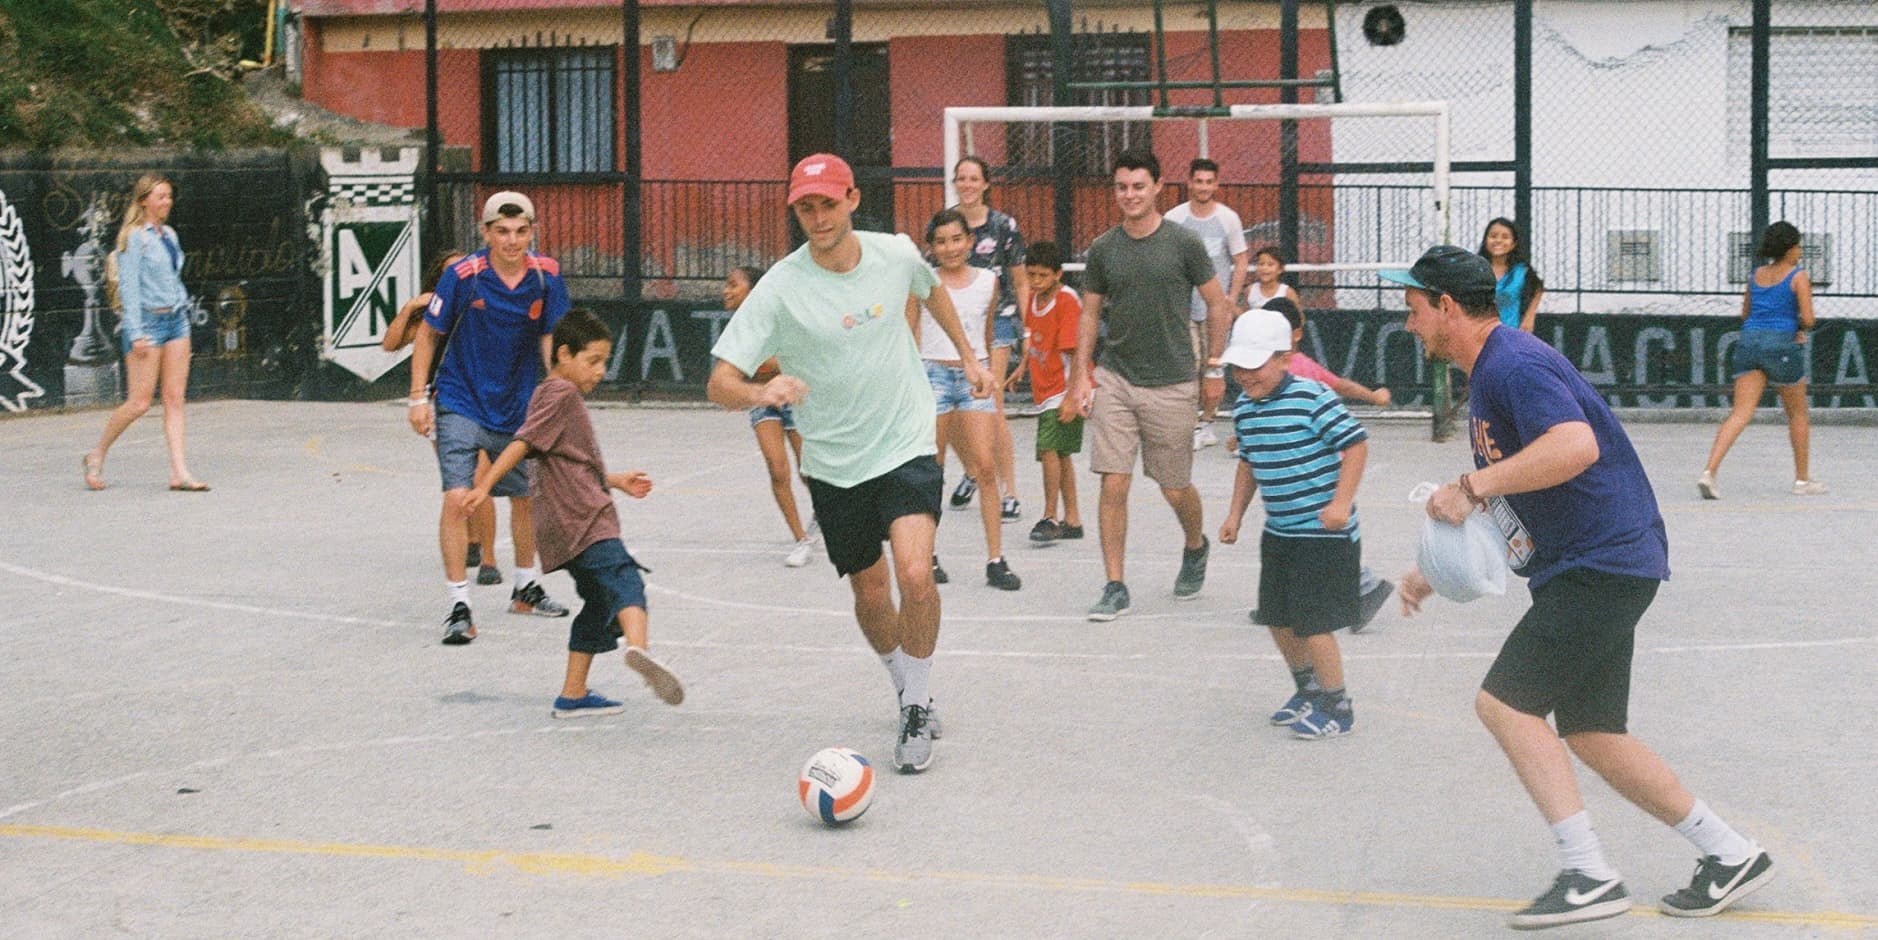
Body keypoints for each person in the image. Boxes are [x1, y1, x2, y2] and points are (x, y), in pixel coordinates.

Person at [1386, 245, 1774, 929]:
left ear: (1446, 307)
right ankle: (1729, 853)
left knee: (1505, 705)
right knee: (1594, 733)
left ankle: (1589, 873)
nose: (1409, 323)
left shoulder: (1514, 363)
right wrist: (1440, 567)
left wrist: (1471, 484)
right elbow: (1525, 493)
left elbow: (1574, 447)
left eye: (1413, 309)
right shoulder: (1490, 373)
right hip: (1596, 564)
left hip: (1604, 563)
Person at [707, 154, 994, 774]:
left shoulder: (893, 254)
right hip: (834, 461)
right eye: (806, 207)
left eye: (828, 204)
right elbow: (719, 380)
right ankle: (901, 681)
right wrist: (762, 393)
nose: (817, 217)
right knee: (871, 591)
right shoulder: (780, 287)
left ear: (853, 199)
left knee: (916, 575)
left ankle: (916, 703)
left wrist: (968, 357)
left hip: (906, 438)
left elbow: (933, 290)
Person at [464, 308, 684, 717]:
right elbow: (524, 442)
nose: (600, 371)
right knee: (625, 581)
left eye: (604, 361)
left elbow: (566, 458)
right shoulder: (561, 393)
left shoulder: (551, 396)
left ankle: (573, 694)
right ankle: (641, 650)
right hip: (583, 519)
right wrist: (484, 486)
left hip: (565, 523)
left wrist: (615, 479)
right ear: (563, 354)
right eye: (593, 361)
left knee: (599, 607)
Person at [1061, 150, 1235, 622]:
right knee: (1113, 481)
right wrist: (1081, 374)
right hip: (1116, 378)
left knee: (1174, 486)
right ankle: (1115, 584)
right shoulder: (1103, 249)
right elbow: (1090, 313)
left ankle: (1195, 546)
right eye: (1121, 187)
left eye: (1139, 186)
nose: (1130, 195)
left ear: (1158, 187)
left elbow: (1218, 305)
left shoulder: (1183, 244)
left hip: (1174, 381)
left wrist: (1215, 367)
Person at [407, 191, 572, 645]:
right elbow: (426, 336)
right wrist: (417, 398)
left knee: (524, 498)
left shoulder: (547, 276)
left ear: (532, 231)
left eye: (521, 231)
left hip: (518, 404)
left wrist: (557, 395)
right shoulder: (464, 275)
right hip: (460, 398)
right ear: (485, 233)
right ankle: (459, 604)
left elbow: (550, 339)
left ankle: (525, 588)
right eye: (502, 231)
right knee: (458, 498)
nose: (512, 240)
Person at [1216, 309, 1370, 739]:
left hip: (1323, 533)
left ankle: (1338, 705)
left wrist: (1341, 503)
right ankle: (1309, 689)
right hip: (1280, 531)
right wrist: (1234, 515)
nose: (1245, 375)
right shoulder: (1246, 408)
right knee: (1278, 617)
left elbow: (1356, 446)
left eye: (1255, 364)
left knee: (1314, 622)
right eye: (1238, 366)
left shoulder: (1312, 398)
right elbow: (1249, 461)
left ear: (1284, 358)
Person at [1261, 297, 1395, 630]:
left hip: (1317, 471)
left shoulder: (1298, 368)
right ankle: (1284, 600)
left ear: (1296, 335)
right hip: (1295, 471)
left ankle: (1364, 587)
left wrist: (1373, 396)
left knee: (1320, 539)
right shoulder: (1263, 369)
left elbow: (1340, 385)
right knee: (1307, 537)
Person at [384, 249, 503, 587]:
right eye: (452, 272)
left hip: (481, 401)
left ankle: (489, 559)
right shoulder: (430, 317)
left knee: (481, 476)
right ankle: (471, 541)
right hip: (445, 403)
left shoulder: (480, 309)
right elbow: (389, 344)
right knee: (458, 480)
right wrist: (409, 307)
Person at [84, 174, 209, 493]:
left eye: (169, 196)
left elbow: (172, 278)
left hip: (177, 322)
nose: (167, 202)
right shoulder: (133, 238)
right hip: (147, 326)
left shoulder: (169, 234)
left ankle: (180, 472)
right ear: (144, 201)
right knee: (139, 403)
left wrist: (182, 307)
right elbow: (128, 289)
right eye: (161, 197)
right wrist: (136, 332)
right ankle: (97, 453)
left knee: (174, 399)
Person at [919, 209, 1020, 590]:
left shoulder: (988, 282)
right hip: (933, 374)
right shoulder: (924, 282)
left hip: (974, 375)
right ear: (932, 247)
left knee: (985, 465)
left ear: (971, 241)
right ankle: (926, 555)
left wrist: (989, 374)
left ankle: (996, 559)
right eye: (941, 241)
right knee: (932, 469)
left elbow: (988, 329)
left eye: (956, 239)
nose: (950, 248)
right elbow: (913, 332)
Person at [1697, 221, 1826, 499]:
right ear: (1790, 249)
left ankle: (1709, 472)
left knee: (1740, 413)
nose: (1800, 251)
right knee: (1797, 413)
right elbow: (1808, 318)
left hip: (1748, 342)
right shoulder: (1798, 276)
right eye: (1798, 246)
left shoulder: (1756, 275)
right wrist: (1799, 330)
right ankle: (1802, 481)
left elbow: (1746, 313)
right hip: (1781, 345)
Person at [931, 156, 1026, 523]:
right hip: (954, 325)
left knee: (993, 402)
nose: (967, 184)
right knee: (953, 411)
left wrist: (1026, 329)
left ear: (986, 183)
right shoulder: (946, 224)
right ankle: (974, 469)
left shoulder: (1003, 225)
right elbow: (931, 281)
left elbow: (1019, 279)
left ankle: (1010, 492)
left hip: (996, 320)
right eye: (961, 178)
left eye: (974, 178)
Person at [724, 265, 821, 567]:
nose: (725, 291)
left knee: (810, 471)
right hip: (762, 399)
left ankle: (832, 513)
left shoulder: (779, 316)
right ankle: (801, 539)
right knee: (777, 468)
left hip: (791, 394)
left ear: (753, 290)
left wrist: (769, 365)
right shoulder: (736, 328)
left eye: (732, 285)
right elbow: (738, 372)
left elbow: (790, 357)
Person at [1165, 158, 1249, 451]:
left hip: (1216, 310)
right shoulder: (1174, 219)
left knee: (1212, 367)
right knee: (1188, 365)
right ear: (1189, 182)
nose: (1203, 187)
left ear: (1216, 184)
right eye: (1197, 181)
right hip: (1183, 309)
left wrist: (1230, 298)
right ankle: (1189, 423)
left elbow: (1240, 261)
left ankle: (1207, 423)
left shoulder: (1228, 219)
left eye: (1208, 181)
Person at [1014, 241, 1084, 545]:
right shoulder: (1033, 299)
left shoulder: (1067, 301)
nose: (1036, 281)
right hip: (1046, 389)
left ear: (1057, 274)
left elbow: (1075, 352)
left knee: (1048, 449)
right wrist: (1022, 367)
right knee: (1062, 454)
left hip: (1065, 387)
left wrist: (1072, 396)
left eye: (1042, 275)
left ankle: (1049, 516)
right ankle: (1073, 520)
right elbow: (1034, 339)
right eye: (1031, 275)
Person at [1478, 217, 1544, 332]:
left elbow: (1538, 288)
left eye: (1505, 237)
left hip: (1510, 333)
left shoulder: (1521, 271)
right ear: (1485, 241)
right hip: (1479, 334)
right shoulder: (1476, 268)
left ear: (1513, 243)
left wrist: (1529, 317)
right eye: (1493, 236)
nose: (1498, 241)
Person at [1245, 246, 1299, 310]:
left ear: (1280, 269)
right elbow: (1245, 315)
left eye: (1270, 264)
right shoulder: (1250, 290)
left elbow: (1298, 318)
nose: (1264, 268)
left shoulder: (1287, 293)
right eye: (1261, 264)